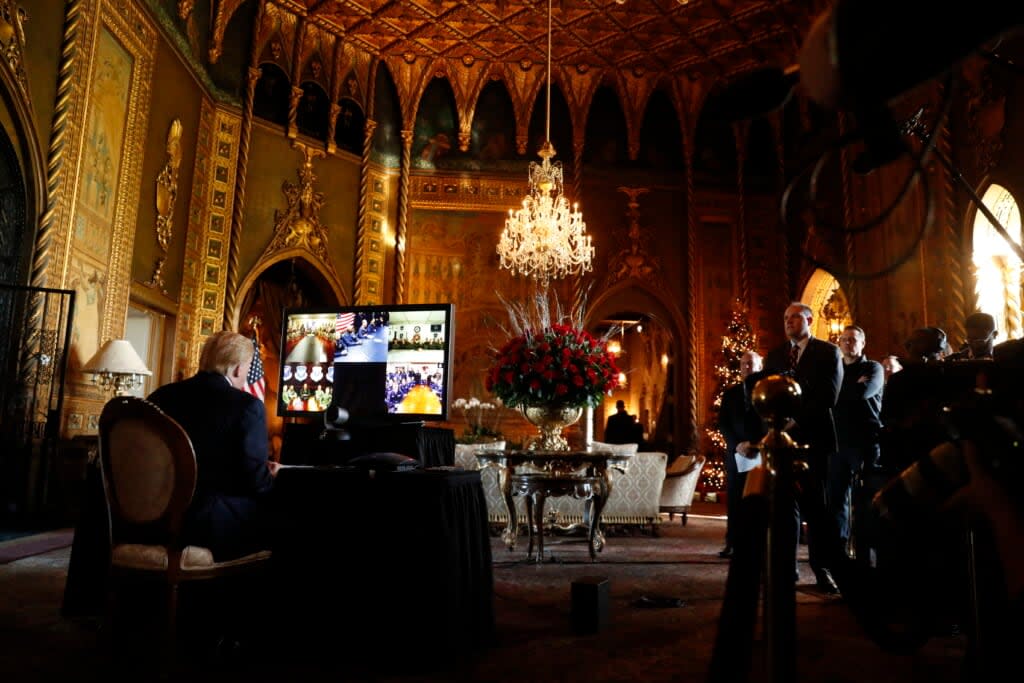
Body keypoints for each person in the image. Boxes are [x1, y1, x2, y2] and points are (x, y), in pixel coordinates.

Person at [148, 330, 280, 562]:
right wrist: (271, 476)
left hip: (152, 517)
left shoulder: (159, 397)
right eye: (249, 367)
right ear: (239, 368)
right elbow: (256, 483)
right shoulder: (247, 407)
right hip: (207, 526)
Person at [763, 302, 843, 593]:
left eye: (794, 317)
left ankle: (823, 570)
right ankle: (786, 568)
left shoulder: (827, 352)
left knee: (817, 508)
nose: (788, 322)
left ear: (809, 319)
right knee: (784, 508)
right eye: (785, 318)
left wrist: (795, 420)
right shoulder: (775, 356)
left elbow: (828, 396)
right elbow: (767, 394)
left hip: (815, 440)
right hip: (782, 443)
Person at [833, 325, 883, 565]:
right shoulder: (836, 368)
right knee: (837, 501)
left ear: (862, 344)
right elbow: (829, 397)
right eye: (844, 340)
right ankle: (840, 555)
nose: (848, 343)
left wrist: (842, 390)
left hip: (865, 442)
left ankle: (865, 557)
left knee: (865, 501)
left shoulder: (873, 368)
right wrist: (851, 386)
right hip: (838, 443)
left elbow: (861, 393)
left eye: (853, 339)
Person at [717, 350, 764, 559]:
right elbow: (723, 423)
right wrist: (737, 444)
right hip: (736, 454)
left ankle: (758, 544)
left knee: (759, 500)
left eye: (751, 364)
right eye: (744, 364)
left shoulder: (766, 393)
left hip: (760, 453)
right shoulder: (730, 394)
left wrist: (755, 444)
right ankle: (732, 543)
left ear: (759, 367)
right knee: (735, 500)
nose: (747, 367)